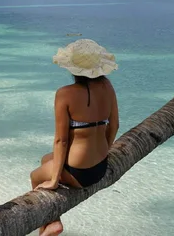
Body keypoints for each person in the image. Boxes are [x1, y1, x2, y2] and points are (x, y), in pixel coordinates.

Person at [30, 39, 119, 236]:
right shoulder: (107, 87)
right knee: (46, 158)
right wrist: (105, 151)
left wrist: (53, 181)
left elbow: (61, 140)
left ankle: (52, 221)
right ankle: (50, 224)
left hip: (80, 173)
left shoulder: (65, 94)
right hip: (100, 166)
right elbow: (114, 125)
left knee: (35, 176)